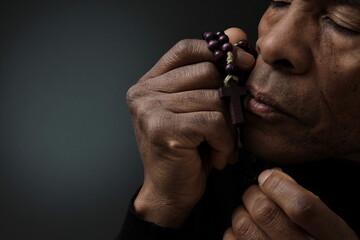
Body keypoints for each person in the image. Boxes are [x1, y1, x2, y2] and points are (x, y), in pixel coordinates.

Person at [118, 0, 360, 239]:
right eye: (280, 2)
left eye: (345, 22)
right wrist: (160, 208)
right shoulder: (206, 170)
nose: (270, 43)